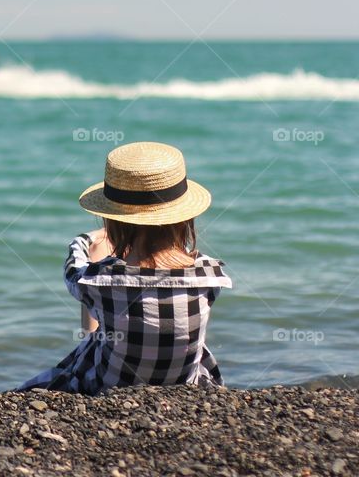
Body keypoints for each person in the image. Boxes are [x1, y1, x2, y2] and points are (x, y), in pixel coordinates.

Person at [18, 141, 231, 395]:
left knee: (93, 323)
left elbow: (74, 264)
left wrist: (91, 240)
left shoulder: (99, 280)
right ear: (185, 217)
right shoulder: (210, 276)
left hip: (108, 383)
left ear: (115, 222)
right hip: (186, 383)